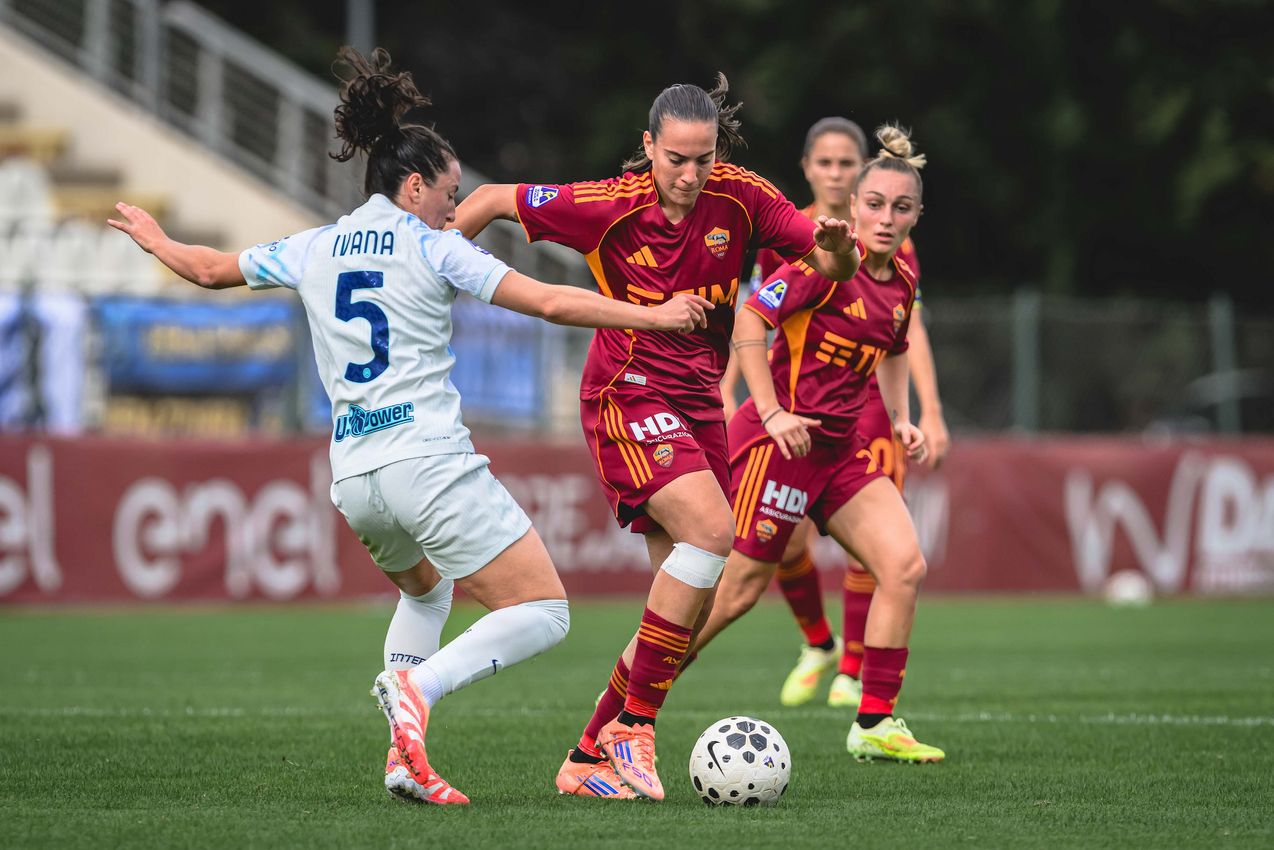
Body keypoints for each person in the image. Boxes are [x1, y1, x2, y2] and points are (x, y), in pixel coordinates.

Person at [106, 47, 713, 806]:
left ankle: (402, 759)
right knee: (546, 612)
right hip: (427, 463)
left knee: (427, 594)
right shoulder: (434, 246)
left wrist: (157, 241)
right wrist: (652, 313)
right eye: (449, 195)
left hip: (355, 477)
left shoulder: (314, 245)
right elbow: (554, 304)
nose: (457, 214)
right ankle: (419, 691)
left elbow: (208, 270)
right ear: (414, 185)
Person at [456, 74, 859, 799]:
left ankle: (584, 760)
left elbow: (834, 266)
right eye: (676, 157)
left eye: (702, 158)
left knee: (687, 602)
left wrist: (840, 250)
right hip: (626, 392)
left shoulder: (742, 196)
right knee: (713, 532)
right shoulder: (608, 205)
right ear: (648, 147)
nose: (690, 173)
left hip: (699, 403)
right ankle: (635, 728)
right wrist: (428, 257)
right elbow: (488, 201)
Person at [692, 125, 946, 763]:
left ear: (917, 215)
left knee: (903, 566)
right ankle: (630, 704)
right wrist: (771, 410)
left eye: (902, 208)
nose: (887, 219)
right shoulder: (821, 262)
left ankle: (875, 722)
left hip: (838, 453)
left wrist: (901, 418)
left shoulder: (902, 283)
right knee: (738, 593)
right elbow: (752, 317)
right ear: (852, 207)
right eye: (876, 205)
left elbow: (895, 350)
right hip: (781, 447)